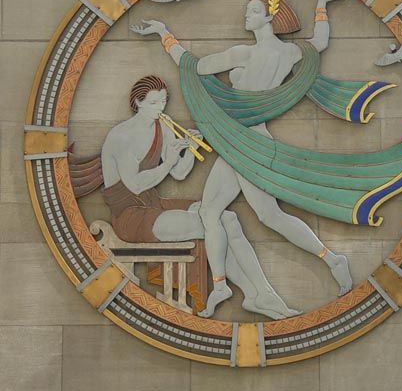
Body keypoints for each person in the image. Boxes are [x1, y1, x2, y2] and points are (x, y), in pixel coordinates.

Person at [130, 0, 354, 317]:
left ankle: (332, 259)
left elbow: (193, 67)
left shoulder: (244, 54)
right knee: (214, 212)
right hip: (243, 142)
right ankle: (222, 285)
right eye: (246, 11)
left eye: (253, 11)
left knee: (267, 216)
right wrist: (321, 3)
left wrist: (165, 35)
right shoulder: (290, 53)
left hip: (246, 144)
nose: (246, 16)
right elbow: (319, 43)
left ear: (270, 16)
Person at [101, 75, 300, 319]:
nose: (159, 108)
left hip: (154, 204)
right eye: (153, 103)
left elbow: (180, 173)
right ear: (138, 102)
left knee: (227, 219)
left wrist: (191, 149)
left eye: (163, 102)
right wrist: (169, 162)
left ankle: (261, 294)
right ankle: (228, 287)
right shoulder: (121, 137)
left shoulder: (162, 126)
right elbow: (135, 185)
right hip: (131, 216)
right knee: (210, 223)